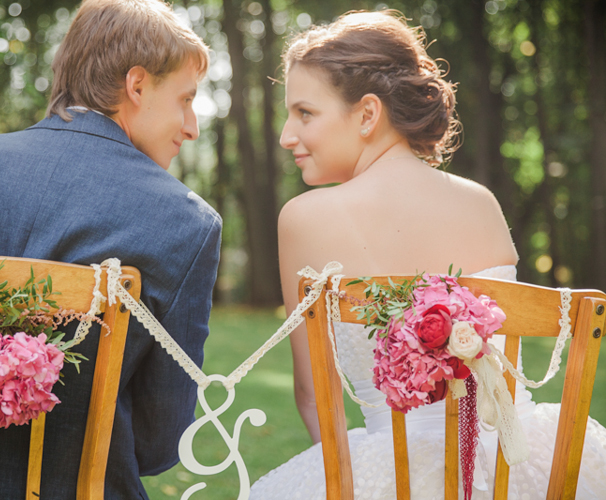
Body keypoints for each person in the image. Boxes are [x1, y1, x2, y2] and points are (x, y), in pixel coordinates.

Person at [0, 0, 221, 498]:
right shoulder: (183, 221)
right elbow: (160, 443)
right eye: (185, 100)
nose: (193, 127)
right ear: (136, 86)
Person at [250, 10, 606, 499]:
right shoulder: (481, 202)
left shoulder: (304, 218)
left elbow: (313, 395)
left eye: (304, 113)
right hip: (526, 466)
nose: (288, 135)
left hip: (398, 477)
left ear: (368, 114)